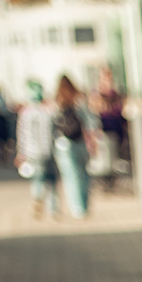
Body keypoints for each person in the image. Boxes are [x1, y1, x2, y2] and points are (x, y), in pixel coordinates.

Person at [14, 82, 59, 218]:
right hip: (48, 150)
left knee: (37, 178)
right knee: (51, 179)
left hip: (31, 151)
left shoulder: (25, 113)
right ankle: (53, 209)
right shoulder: (48, 111)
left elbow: (21, 135)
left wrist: (21, 153)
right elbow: (55, 132)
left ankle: (37, 196)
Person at [51, 74, 92, 217]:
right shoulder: (79, 99)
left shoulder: (56, 101)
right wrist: (91, 141)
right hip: (80, 141)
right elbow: (90, 122)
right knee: (83, 174)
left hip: (63, 144)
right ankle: (84, 204)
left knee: (70, 176)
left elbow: (53, 125)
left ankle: (77, 208)